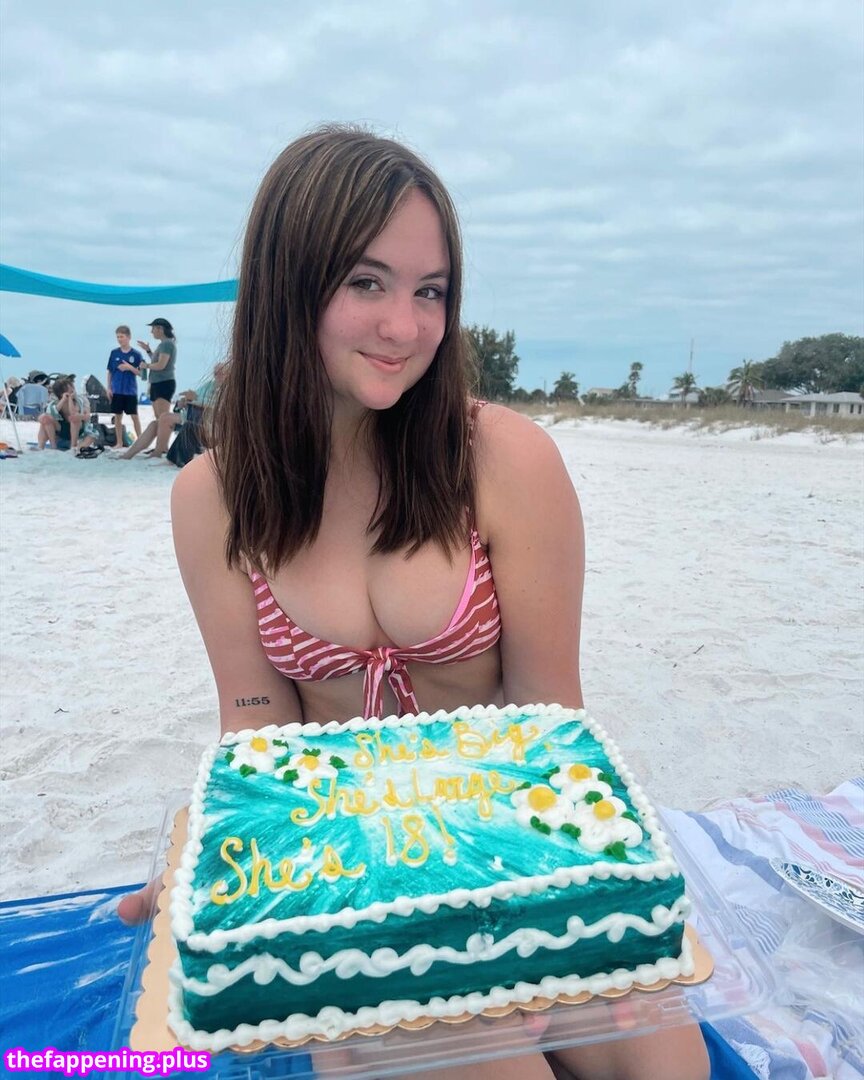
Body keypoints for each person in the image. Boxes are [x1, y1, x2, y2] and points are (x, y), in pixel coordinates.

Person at [118, 127, 712, 1079]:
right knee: (491, 1064)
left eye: (430, 291)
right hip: (354, 903)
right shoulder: (214, 499)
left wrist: (540, 931)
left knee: (668, 1065)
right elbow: (257, 729)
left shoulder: (504, 460)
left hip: (516, 857)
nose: (406, 326)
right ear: (287, 284)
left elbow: (549, 719)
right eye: (367, 282)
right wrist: (209, 873)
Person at [111, 365, 225, 462]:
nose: (217, 376)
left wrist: (196, 399)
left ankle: (158, 452)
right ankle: (129, 454)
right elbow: (195, 397)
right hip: (192, 416)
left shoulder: (228, 389)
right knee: (154, 424)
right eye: (216, 373)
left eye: (220, 373)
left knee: (165, 418)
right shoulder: (210, 385)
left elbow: (220, 409)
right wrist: (184, 401)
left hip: (207, 423)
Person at [36, 376, 99, 454]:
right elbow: (48, 415)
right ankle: (47, 446)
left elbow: (86, 416)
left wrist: (70, 401)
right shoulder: (55, 402)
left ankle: (74, 447)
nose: (73, 390)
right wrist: (63, 400)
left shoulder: (81, 400)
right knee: (45, 418)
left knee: (74, 418)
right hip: (60, 430)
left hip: (79, 431)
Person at [106, 326, 144, 448]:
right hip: (117, 390)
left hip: (130, 390)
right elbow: (110, 372)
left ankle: (140, 442)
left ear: (128, 337)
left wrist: (129, 367)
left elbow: (142, 374)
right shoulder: (114, 353)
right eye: (117, 337)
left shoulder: (136, 354)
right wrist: (109, 388)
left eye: (121, 337)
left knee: (134, 416)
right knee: (117, 416)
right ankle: (119, 442)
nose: (119, 339)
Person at [137, 318, 177, 420]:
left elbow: (161, 365)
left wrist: (146, 366)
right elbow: (156, 362)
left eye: (153, 329)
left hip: (163, 383)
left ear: (160, 329)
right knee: (159, 417)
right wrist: (148, 350)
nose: (151, 332)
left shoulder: (166, 344)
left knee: (163, 418)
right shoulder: (164, 344)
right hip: (157, 382)